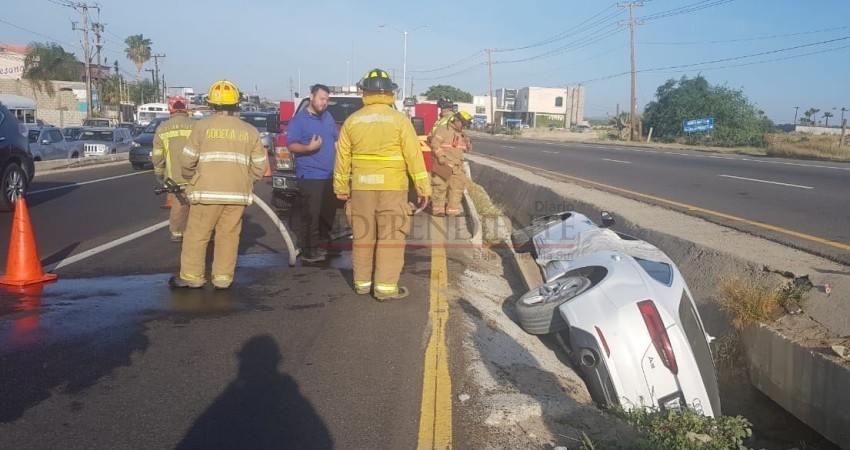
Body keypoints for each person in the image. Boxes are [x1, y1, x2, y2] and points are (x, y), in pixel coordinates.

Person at [333, 69, 431, 301]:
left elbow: (342, 158)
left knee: (362, 236)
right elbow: (414, 157)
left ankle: (362, 284)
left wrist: (341, 188)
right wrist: (423, 189)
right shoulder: (400, 120)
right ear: (389, 92)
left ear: (364, 91)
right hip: (393, 189)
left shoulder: (352, 121)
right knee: (391, 238)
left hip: (361, 189)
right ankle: (385, 289)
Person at [168, 80, 268, 290]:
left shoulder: (202, 127)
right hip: (237, 195)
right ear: (236, 104)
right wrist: (247, 181)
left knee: (197, 235)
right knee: (228, 237)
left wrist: (191, 179)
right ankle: (223, 279)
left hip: (206, 193)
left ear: (212, 105)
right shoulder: (249, 131)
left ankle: (192, 277)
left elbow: (187, 161)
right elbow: (260, 166)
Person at [285, 84, 339, 263]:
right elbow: (291, 145)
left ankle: (323, 243)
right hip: (310, 176)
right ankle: (309, 250)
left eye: (327, 100)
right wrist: (309, 148)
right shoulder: (299, 120)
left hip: (330, 175)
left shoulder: (328, 117)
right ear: (312, 97)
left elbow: (335, 139)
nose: (325, 103)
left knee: (328, 212)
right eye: (322, 99)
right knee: (311, 214)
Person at [152, 96, 195, 243]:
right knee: (199, 205)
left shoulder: (162, 128)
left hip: (173, 177)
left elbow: (158, 155)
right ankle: (201, 232)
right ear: (186, 108)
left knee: (178, 204)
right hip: (196, 175)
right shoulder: (196, 126)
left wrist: (159, 172)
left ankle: (177, 233)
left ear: (170, 109)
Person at [430, 110, 473, 217]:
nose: (464, 126)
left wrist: (467, 142)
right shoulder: (443, 130)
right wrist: (441, 157)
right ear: (457, 120)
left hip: (457, 167)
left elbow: (466, 150)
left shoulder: (462, 134)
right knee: (440, 187)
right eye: (463, 124)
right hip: (443, 165)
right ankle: (438, 210)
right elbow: (435, 144)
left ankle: (452, 210)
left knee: (457, 188)